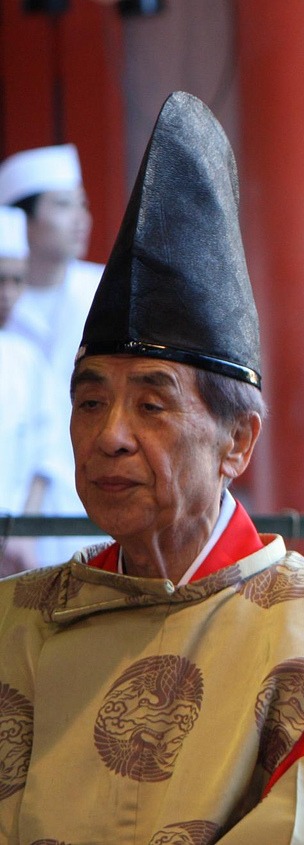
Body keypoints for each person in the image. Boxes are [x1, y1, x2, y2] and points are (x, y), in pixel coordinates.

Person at [0, 91, 304, 843]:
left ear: (238, 443)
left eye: (152, 406)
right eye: (90, 402)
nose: (109, 436)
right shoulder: (18, 622)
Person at [0, 143, 105, 565]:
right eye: (63, 205)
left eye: (82, 204)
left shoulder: (104, 292)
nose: (81, 219)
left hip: (89, 493)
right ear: (22, 220)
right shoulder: (9, 315)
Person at [0, 205, 61, 576]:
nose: (7, 294)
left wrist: (22, 533)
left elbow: (46, 455)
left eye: (17, 281)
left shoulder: (27, 358)